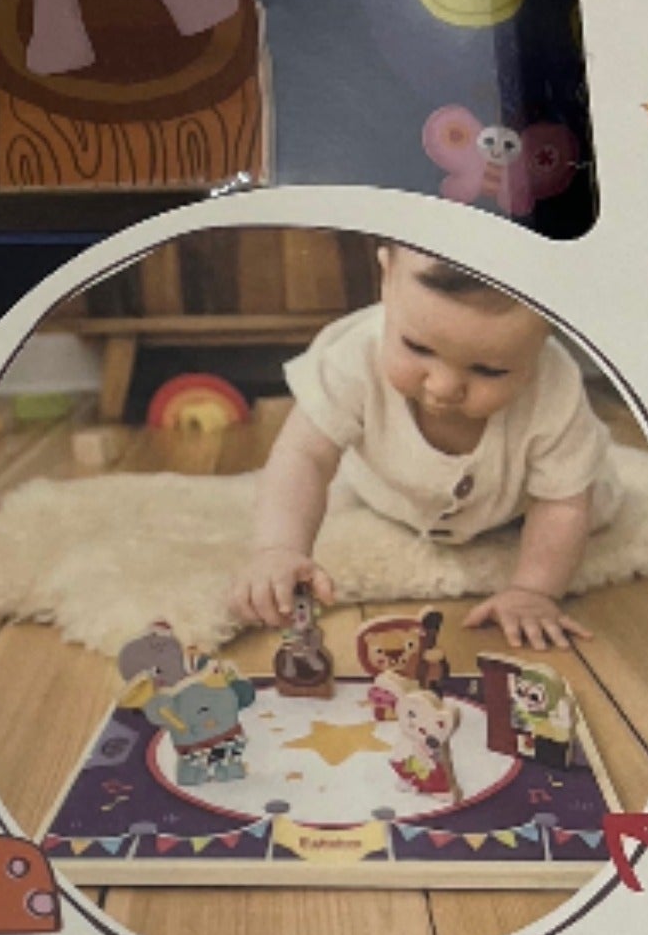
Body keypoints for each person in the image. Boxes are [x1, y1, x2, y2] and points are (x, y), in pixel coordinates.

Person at [230, 249, 619, 656]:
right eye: (417, 347)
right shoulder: (353, 355)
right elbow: (304, 456)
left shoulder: (556, 389)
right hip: (389, 491)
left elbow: (562, 503)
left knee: (590, 499)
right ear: (387, 278)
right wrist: (279, 549)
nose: (443, 386)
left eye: (489, 370)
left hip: (515, 508)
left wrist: (533, 591)